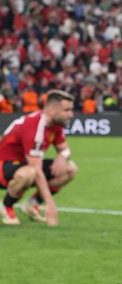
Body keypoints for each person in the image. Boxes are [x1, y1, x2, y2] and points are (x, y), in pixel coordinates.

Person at [0, 90, 77, 226]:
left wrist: (62, 156)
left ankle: (31, 204)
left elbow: (65, 149)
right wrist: (50, 204)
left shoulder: (55, 125)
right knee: (30, 173)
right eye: (67, 110)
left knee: (70, 168)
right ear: (52, 110)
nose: (71, 114)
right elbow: (37, 170)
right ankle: (6, 206)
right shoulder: (34, 127)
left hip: (25, 165)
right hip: (4, 165)